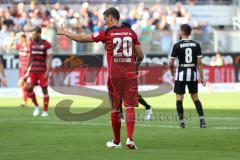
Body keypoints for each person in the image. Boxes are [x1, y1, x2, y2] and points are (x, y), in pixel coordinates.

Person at [57, 7, 144, 149]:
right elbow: (140, 55)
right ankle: (130, 139)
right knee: (129, 107)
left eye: (105, 19)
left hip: (114, 76)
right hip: (130, 75)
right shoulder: (131, 32)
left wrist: (64, 32)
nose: (104, 23)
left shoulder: (107, 33)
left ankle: (117, 142)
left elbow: (81, 39)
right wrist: (136, 68)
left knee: (115, 108)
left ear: (111, 18)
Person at [168, 24, 207, 128]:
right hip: (193, 75)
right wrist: (202, 77)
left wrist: (171, 71)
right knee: (195, 98)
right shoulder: (196, 45)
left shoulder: (176, 45)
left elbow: (171, 62)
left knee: (179, 99)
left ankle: (181, 122)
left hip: (181, 74)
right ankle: (202, 121)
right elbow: (199, 63)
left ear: (181, 33)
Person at [25, 27, 52, 117]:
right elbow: (31, 57)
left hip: (42, 70)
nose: (32, 36)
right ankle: (36, 106)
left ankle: (45, 111)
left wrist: (48, 71)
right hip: (33, 70)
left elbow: (49, 57)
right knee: (28, 88)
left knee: (44, 89)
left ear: (39, 34)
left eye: (34, 34)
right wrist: (27, 68)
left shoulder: (47, 44)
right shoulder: (32, 44)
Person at [16, 32, 30, 107]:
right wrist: (13, 38)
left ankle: (26, 100)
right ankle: (26, 100)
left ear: (24, 38)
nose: (19, 40)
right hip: (21, 68)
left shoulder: (28, 46)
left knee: (22, 84)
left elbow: (31, 58)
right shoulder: (19, 46)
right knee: (23, 85)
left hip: (27, 68)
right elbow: (10, 46)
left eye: (20, 38)